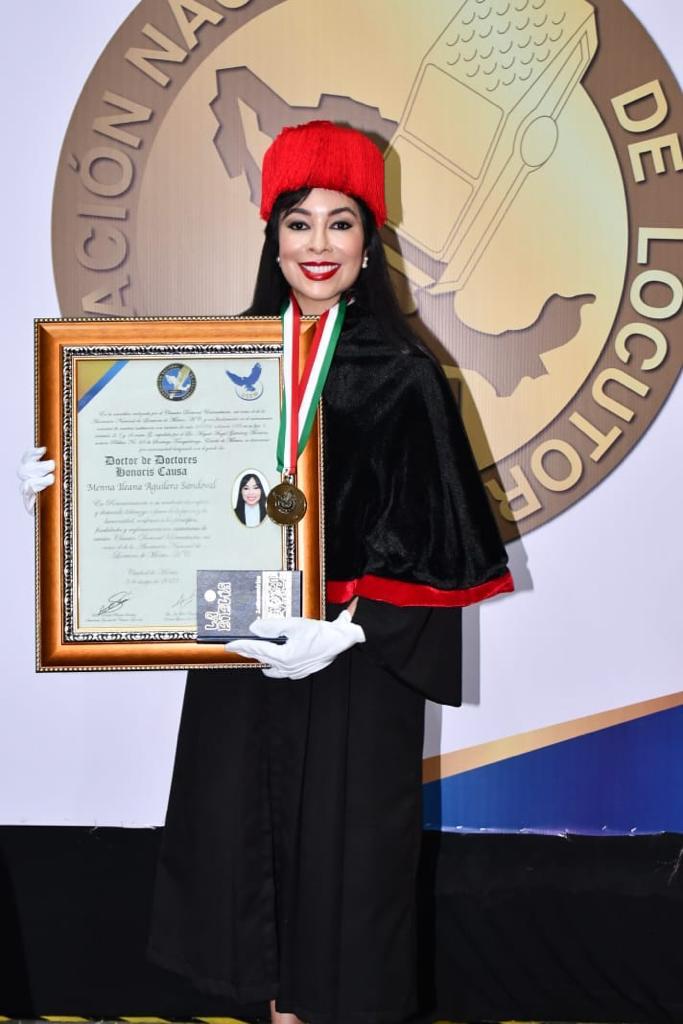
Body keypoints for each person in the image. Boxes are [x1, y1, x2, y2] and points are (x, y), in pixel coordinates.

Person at [21, 121, 513, 1024]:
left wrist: (350, 631)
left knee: (345, 874)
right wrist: (71, 491)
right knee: (242, 857)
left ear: (369, 240)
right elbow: (162, 485)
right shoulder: (221, 358)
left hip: (350, 659)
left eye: (340, 222)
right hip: (242, 636)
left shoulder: (405, 372)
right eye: (297, 222)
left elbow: (432, 540)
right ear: (271, 235)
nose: (317, 245)